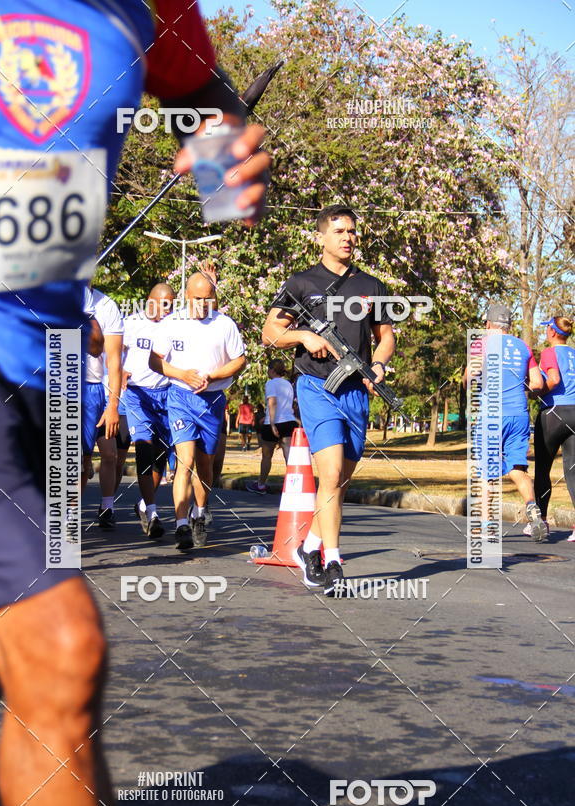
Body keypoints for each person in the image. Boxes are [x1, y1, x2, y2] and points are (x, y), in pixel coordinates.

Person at [0, 2, 270, 806]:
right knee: (62, 650)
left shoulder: (153, 9)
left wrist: (229, 139)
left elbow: (207, 94)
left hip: (42, 374)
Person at [262, 204, 395, 595]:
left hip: (356, 390)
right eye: (339, 231)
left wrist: (380, 365)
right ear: (321, 237)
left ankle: (310, 547)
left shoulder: (371, 285)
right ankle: (333, 560)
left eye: (352, 231)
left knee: (340, 482)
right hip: (317, 387)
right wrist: (304, 336)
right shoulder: (301, 283)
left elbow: (385, 336)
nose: (349, 237)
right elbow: (271, 331)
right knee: (331, 473)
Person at [150, 271, 246, 550]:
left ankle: (199, 514)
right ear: (186, 296)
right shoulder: (172, 323)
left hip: (213, 400)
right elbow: (155, 362)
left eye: (208, 299)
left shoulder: (225, 325)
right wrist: (182, 374)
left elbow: (239, 360)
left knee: (205, 464)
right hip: (180, 398)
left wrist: (213, 377)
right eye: (197, 299)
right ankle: (181, 525)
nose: (203, 304)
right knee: (185, 460)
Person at [462, 303, 546, 542]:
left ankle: (486, 527)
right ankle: (532, 507)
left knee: (486, 473)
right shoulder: (523, 346)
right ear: (509, 325)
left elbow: (471, 375)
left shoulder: (482, 343)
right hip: (519, 414)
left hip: (491, 415)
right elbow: (537, 384)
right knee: (517, 468)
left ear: (488, 324)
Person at [122, 283, 175, 538]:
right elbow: (114, 353)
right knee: (143, 449)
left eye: (172, 304)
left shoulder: (175, 324)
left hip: (165, 396)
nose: (168, 309)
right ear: (150, 300)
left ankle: (143, 505)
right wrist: (117, 372)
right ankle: (153, 513)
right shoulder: (130, 323)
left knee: (160, 455)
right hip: (137, 394)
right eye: (164, 303)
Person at [526, 316, 575, 541]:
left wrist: (536, 393)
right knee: (573, 471)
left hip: (554, 412)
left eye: (547, 327)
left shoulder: (549, 352)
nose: (545, 330)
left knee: (543, 470)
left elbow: (553, 379)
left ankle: (542, 522)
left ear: (553, 332)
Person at [82, 286, 124, 529]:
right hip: (57, 385)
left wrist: (113, 405)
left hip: (95, 389)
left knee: (107, 454)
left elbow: (106, 354)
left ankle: (106, 506)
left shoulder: (105, 305)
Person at [248, 359, 297, 494]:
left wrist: (272, 423)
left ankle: (261, 484)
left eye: (268, 370)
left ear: (272, 370)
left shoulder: (271, 383)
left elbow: (273, 402)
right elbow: (288, 404)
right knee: (289, 455)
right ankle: (294, 486)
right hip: (289, 421)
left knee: (267, 455)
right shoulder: (288, 384)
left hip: (274, 423)